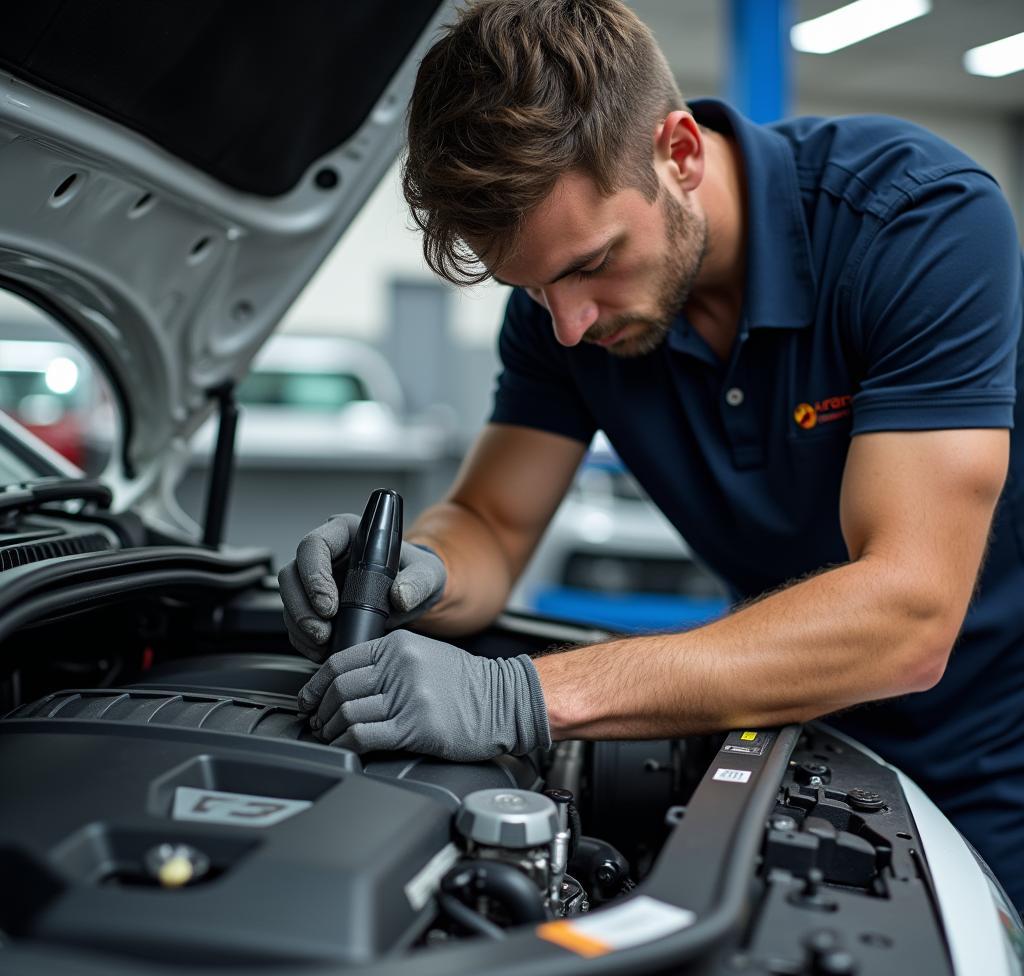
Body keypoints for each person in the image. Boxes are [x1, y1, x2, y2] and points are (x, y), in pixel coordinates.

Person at [278, 0, 1024, 907]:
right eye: (535, 286)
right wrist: (415, 572)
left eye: (591, 263)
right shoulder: (560, 319)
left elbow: (909, 614)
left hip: (993, 755)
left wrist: (514, 699)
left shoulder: (917, 222)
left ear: (679, 153)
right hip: (782, 727)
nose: (569, 322)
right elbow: (493, 523)